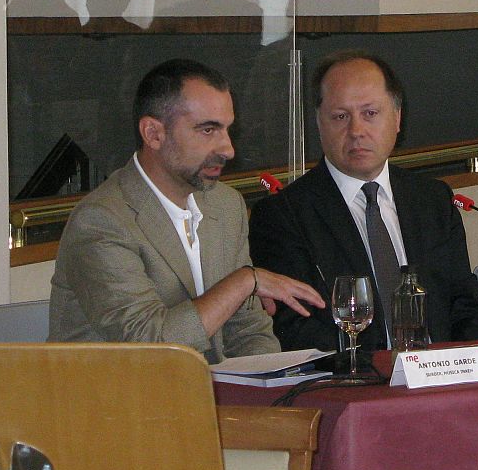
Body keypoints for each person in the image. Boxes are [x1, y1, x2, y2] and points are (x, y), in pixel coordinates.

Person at [48, 58, 323, 361]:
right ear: (153, 133)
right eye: (208, 130)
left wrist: (269, 386)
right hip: (118, 402)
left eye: (227, 130)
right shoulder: (103, 220)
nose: (228, 149)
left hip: (210, 400)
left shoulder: (226, 205)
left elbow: (248, 330)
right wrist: (244, 281)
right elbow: (150, 344)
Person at [249, 50, 478, 352]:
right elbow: (297, 330)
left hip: (441, 379)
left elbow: (465, 307)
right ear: (319, 123)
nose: (356, 131)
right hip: (353, 381)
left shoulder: (432, 200)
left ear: (397, 118)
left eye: (370, 114)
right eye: (340, 117)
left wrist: (462, 371)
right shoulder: (283, 215)